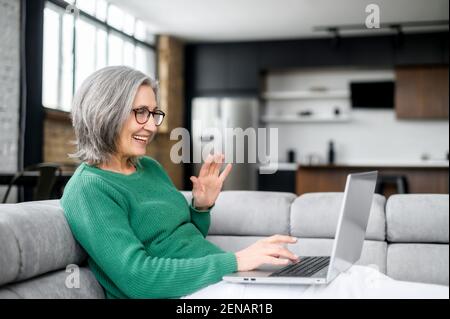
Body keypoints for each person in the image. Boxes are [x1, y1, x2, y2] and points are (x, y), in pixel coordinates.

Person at [61, 66, 299, 299]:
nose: (153, 126)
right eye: (141, 112)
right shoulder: (89, 188)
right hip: (186, 292)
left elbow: (185, 238)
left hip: (215, 284)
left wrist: (201, 206)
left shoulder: (149, 167)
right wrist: (236, 260)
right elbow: (139, 279)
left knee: (331, 286)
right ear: (105, 113)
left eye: (154, 113)